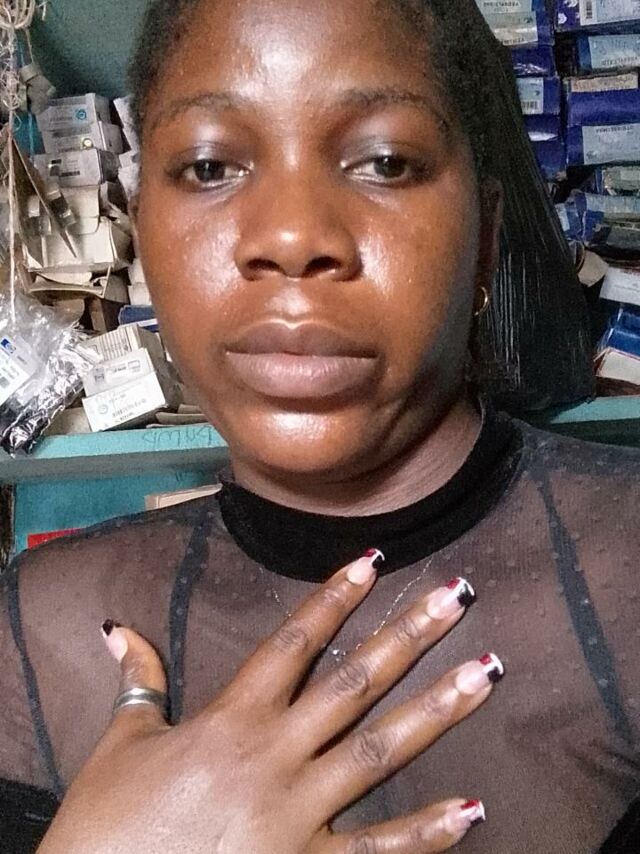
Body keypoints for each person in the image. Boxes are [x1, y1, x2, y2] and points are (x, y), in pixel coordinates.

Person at [0, 0, 638, 850]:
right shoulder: (36, 631)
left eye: (385, 162)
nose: (293, 237)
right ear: (143, 231)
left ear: (485, 238)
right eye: (208, 167)